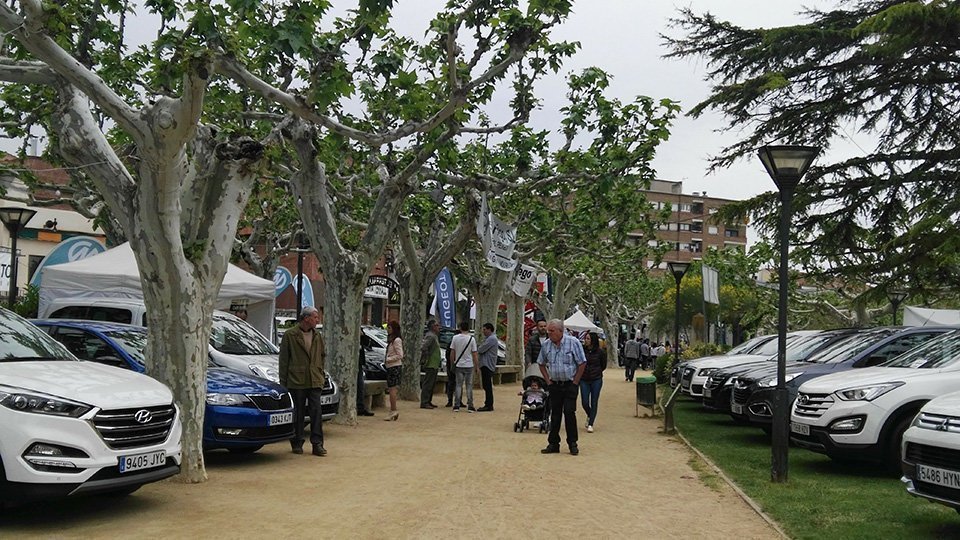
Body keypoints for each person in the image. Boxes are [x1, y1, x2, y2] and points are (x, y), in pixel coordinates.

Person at [278, 306, 327, 456]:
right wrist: (283, 381)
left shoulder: (317, 336)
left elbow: (322, 355)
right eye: (315, 317)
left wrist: (320, 372)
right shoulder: (290, 335)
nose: (317, 320)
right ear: (306, 318)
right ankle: (297, 442)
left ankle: (317, 444)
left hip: (314, 379)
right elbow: (284, 360)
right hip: (296, 380)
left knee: (316, 412)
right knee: (298, 413)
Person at [537, 318, 586, 456]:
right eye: (548, 331)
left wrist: (576, 382)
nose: (549, 333)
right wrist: (548, 381)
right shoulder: (546, 345)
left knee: (569, 413)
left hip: (570, 384)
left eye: (552, 331)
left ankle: (572, 443)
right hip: (555, 385)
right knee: (555, 414)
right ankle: (553, 443)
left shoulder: (573, 343)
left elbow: (582, 363)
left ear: (560, 331)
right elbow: (541, 363)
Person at [579, 332, 607, 433]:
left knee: (594, 401)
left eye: (588, 339)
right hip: (584, 379)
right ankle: (590, 414)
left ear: (593, 340)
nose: (586, 340)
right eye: (586, 338)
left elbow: (603, 365)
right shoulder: (582, 350)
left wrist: (597, 372)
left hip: (596, 379)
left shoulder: (601, 352)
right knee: (584, 401)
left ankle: (591, 423)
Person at [449, 321, 478, 413]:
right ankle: (470, 405)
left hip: (459, 364)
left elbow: (452, 352)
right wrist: (477, 366)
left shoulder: (455, 338)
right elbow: (474, 354)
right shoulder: (471, 339)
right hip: (469, 365)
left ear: (460, 328)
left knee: (458, 385)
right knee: (469, 385)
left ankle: (456, 405)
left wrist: (452, 363)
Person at [383, 320, 403, 421]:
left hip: (394, 367)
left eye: (389, 328)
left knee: (392, 390)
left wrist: (388, 359)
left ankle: (393, 410)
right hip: (391, 367)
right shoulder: (391, 340)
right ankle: (392, 410)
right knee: (391, 389)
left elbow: (400, 355)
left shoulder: (397, 340)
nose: (388, 330)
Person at [477, 322, 498, 412]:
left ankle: (488, 405)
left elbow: (481, 349)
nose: (483, 331)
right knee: (486, 385)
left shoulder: (491, 339)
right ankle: (488, 403)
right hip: (486, 364)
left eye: (485, 329)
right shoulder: (489, 338)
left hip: (487, 364)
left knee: (487, 386)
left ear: (489, 329)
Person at [420, 320, 442, 409]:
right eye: (437, 325)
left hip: (435, 363)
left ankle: (428, 400)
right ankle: (424, 402)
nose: (438, 327)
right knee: (428, 383)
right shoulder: (430, 336)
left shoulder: (435, 336)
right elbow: (424, 346)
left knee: (432, 383)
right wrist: (427, 356)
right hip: (430, 363)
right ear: (432, 327)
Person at [356, 339, 374, 416]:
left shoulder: (361, 333)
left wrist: (362, 336)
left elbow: (368, 344)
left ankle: (360, 407)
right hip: (353, 362)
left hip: (359, 362)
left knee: (360, 386)